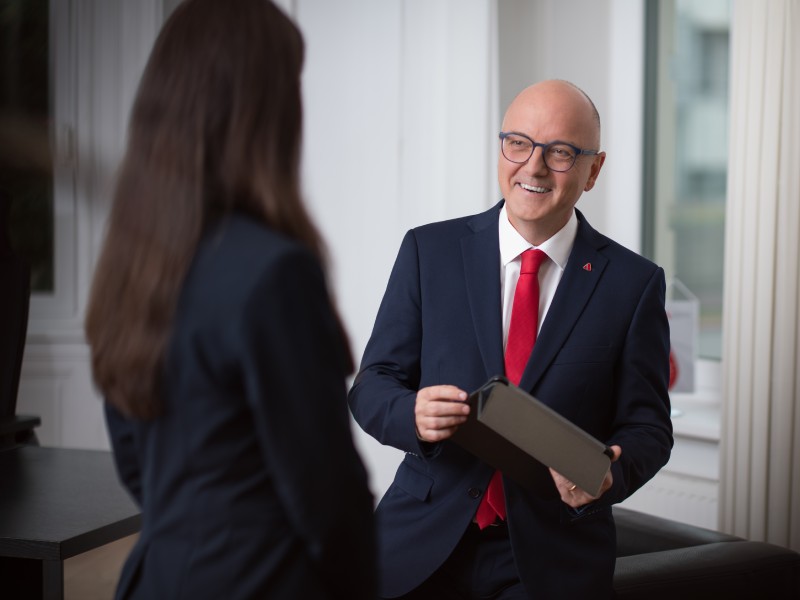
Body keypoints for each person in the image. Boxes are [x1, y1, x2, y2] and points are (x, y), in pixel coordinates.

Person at [84, 1, 376, 598]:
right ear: (262, 112)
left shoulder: (135, 264)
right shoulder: (275, 271)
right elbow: (325, 493)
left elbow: (136, 462)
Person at [348, 79, 673, 599]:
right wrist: (411, 414)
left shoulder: (633, 284)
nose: (534, 167)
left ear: (594, 170)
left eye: (560, 152)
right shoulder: (429, 251)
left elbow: (648, 427)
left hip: (551, 560)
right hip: (418, 542)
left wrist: (611, 473)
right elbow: (373, 384)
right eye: (518, 143)